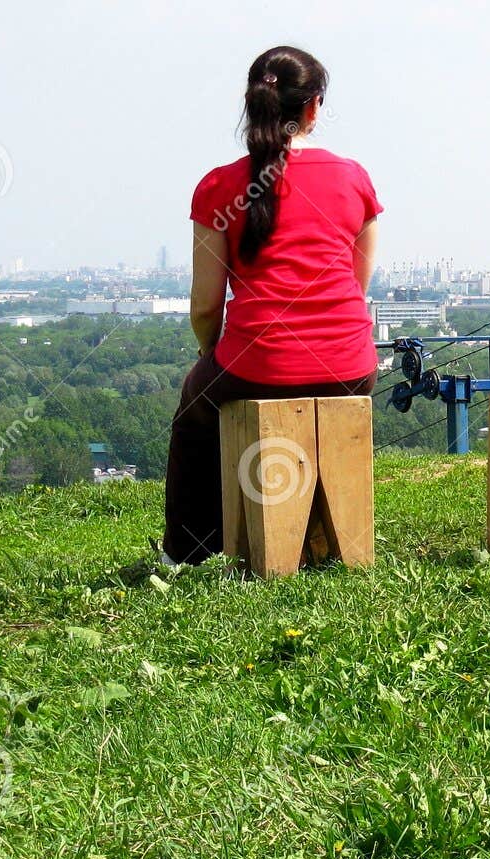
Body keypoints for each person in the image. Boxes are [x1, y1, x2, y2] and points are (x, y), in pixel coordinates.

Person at [162, 45, 381, 564]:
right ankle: (319, 541)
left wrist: (205, 352)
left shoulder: (218, 186)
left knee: (193, 421)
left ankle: (190, 553)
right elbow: (358, 283)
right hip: (349, 367)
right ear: (313, 107)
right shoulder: (353, 178)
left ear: (253, 101)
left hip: (255, 363)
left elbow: (205, 306)